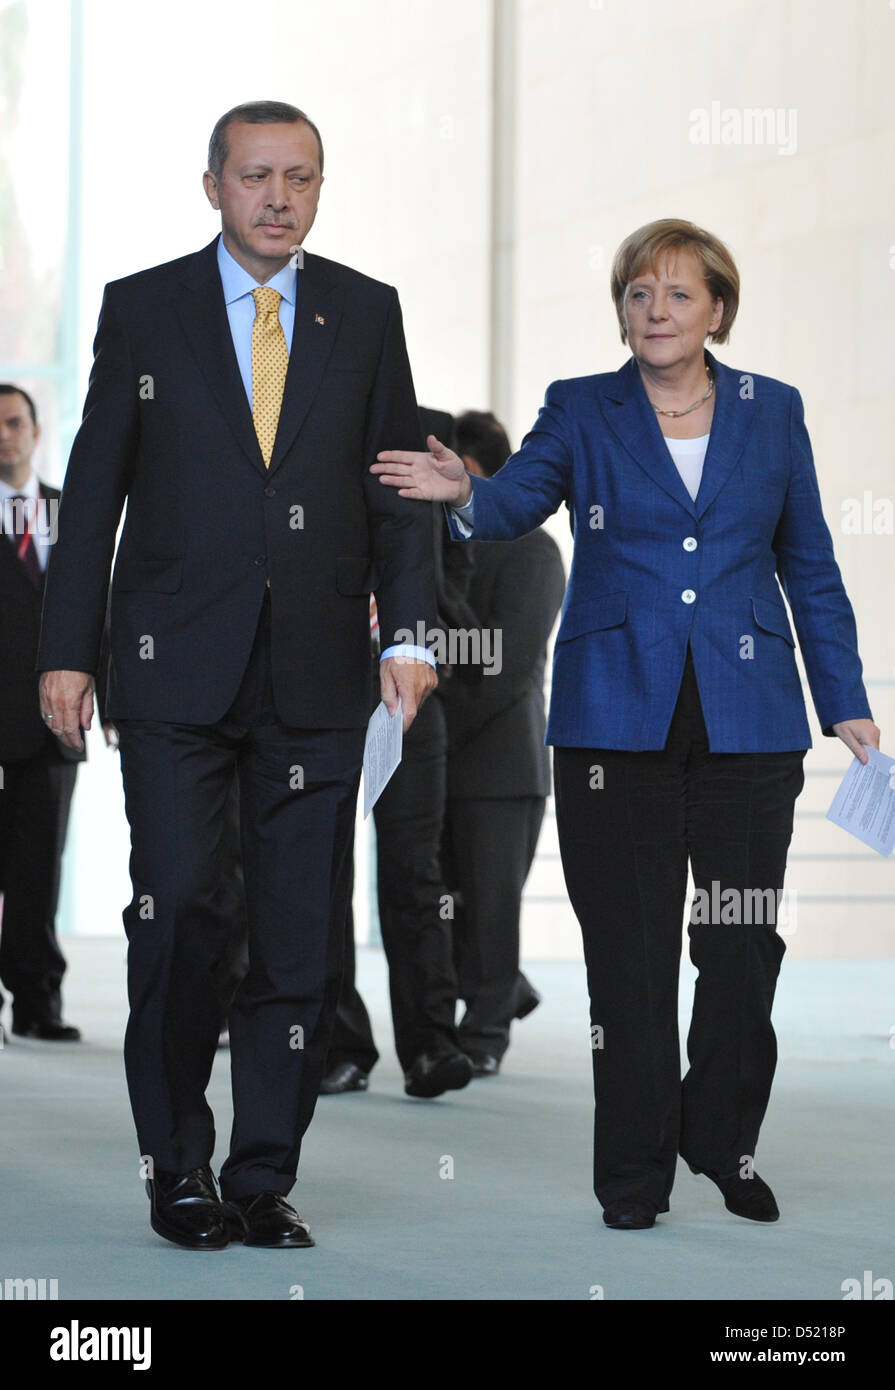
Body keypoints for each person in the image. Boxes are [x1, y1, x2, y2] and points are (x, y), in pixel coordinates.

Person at [372, 217, 879, 1231]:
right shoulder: (583, 408)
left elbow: (809, 565)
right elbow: (516, 500)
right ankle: (633, 1175)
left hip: (750, 723)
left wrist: (846, 698)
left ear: (718, 312)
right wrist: (464, 491)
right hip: (614, 726)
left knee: (739, 949)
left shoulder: (772, 414)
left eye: (678, 295)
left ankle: (722, 1140)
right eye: (639, 295)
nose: (655, 312)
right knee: (630, 960)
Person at [37, 100, 437, 1251]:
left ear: (320, 187)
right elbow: (96, 488)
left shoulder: (365, 313)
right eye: (255, 176)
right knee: (179, 916)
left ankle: (261, 1175)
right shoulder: (145, 308)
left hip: (316, 678)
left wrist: (408, 632)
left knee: (298, 935)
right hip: (170, 676)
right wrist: (68, 650)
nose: (279, 197)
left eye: (300, 177)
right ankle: (177, 1167)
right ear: (212, 185)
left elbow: (400, 484)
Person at [322, 408, 477, 1100]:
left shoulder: (430, 430)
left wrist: (435, 626)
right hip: (316, 688)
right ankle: (337, 1044)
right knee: (317, 872)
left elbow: (458, 550)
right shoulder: (298, 422)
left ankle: (429, 1045)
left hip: (412, 687)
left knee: (416, 873)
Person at [438, 409, 565, 1076]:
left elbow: (506, 667)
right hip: (437, 760)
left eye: (456, 471)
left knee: (489, 907)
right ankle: (502, 992)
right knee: (446, 906)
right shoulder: (433, 543)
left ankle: (485, 1034)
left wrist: (433, 730)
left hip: (498, 765)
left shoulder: (531, 549)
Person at [0, 384, 82, 1044]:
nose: (4, 435)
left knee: (38, 867)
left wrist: (107, 702)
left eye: (14, 423)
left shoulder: (68, 510)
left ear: (35, 430)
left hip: (53, 723)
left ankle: (36, 1000)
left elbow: (95, 608)